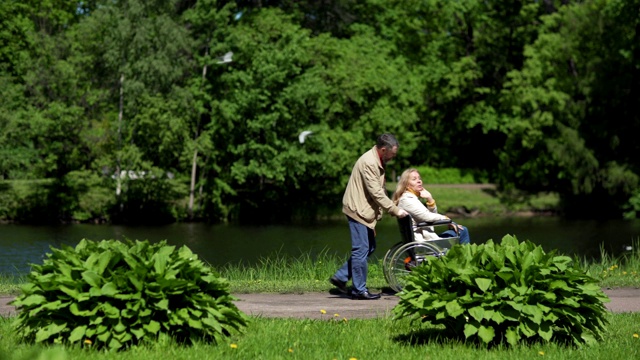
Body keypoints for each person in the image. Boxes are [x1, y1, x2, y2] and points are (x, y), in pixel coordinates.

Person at [329, 133, 409, 300]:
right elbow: (376, 193)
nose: (394, 157)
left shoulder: (378, 161)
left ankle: (342, 277)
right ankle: (359, 290)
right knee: (361, 250)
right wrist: (395, 210)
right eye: (392, 154)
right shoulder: (369, 162)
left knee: (369, 247)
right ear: (383, 149)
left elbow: (380, 190)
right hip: (358, 210)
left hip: (364, 210)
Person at [391, 168, 471, 244]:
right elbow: (427, 216)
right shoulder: (407, 200)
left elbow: (431, 216)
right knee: (463, 231)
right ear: (406, 185)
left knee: (460, 230)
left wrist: (430, 200)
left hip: (427, 239)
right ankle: (467, 257)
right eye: (414, 179)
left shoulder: (410, 198)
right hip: (424, 242)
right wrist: (447, 219)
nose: (419, 181)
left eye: (419, 178)